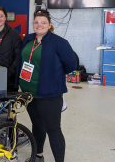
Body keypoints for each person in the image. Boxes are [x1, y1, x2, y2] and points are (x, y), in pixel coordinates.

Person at [15, 10, 76, 162]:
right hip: (29, 93)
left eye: (43, 22)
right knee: (37, 125)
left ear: (49, 25)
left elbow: (71, 65)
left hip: (49, 94)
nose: (39, 24)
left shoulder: (59, 42)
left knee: (53, 129)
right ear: (33, 24)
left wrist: (54, 76)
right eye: (36, 22)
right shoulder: (29, 39)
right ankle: (38, 155)